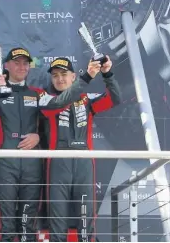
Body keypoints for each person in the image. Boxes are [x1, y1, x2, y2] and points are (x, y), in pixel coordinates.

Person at [0, 48, 94, 242]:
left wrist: (38, 137)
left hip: (33, 164)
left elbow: (52, 125)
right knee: (5, 221)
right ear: (6, 66)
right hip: (6, 162)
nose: (22, 66)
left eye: (26, 63)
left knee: (28, 222)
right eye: (17, 62)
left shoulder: (39, 94)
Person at [41, 56, 121, 242]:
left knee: (86, 221)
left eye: (64, 74)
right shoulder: (45, 98)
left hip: (84, 164)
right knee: (57, 222)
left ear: (73, 76)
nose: (60, 79)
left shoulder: (87, 100)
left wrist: (107, 73)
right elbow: (61, 102)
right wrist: (87, 78)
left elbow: (115, 98)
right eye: (55, 76)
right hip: (58, 166)